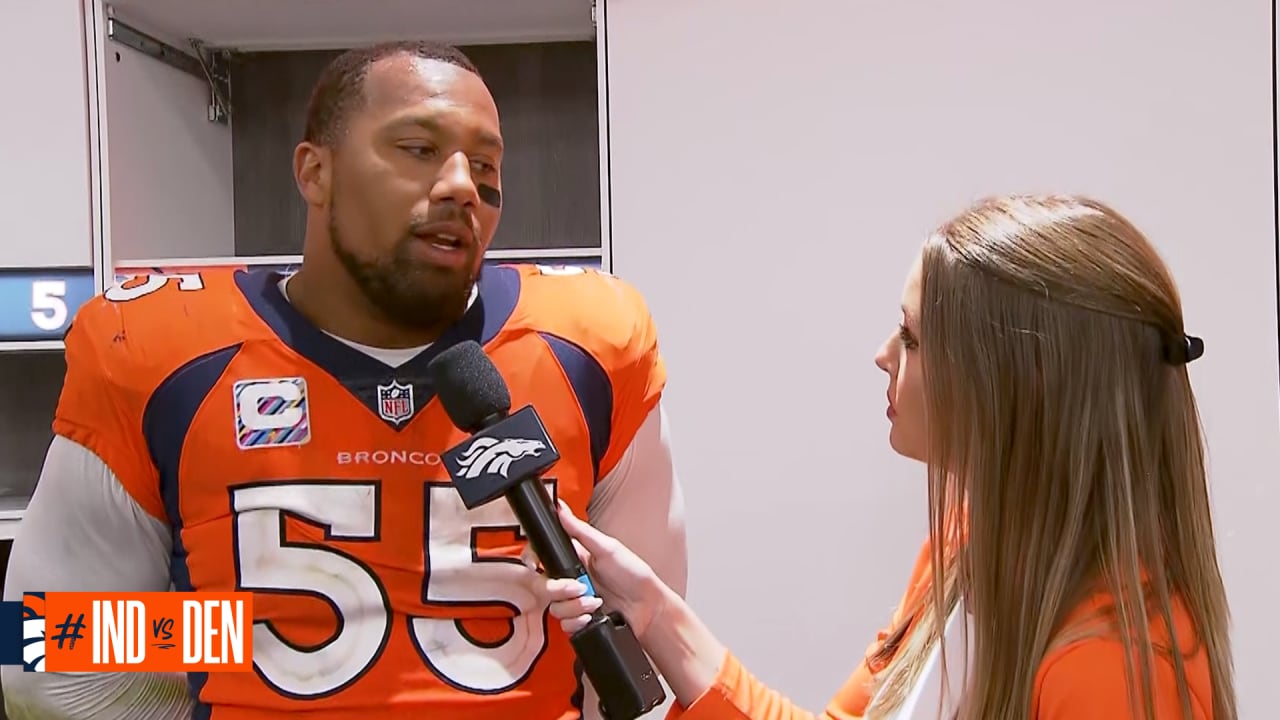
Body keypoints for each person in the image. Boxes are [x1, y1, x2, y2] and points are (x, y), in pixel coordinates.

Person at [2, 41, 687, 720]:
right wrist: (252, 629)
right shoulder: (158, 353)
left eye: (485, 164)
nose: (461, 185)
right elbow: (59, 656)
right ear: (314, 172)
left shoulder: (587, 346)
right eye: (417, 149)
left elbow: (643, 640)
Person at [537, 194, 1236, 720]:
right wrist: (652, 610)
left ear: (1022, 380)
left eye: (913, 337)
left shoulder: (1112, 665)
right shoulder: (967, 544)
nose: (882, 356)